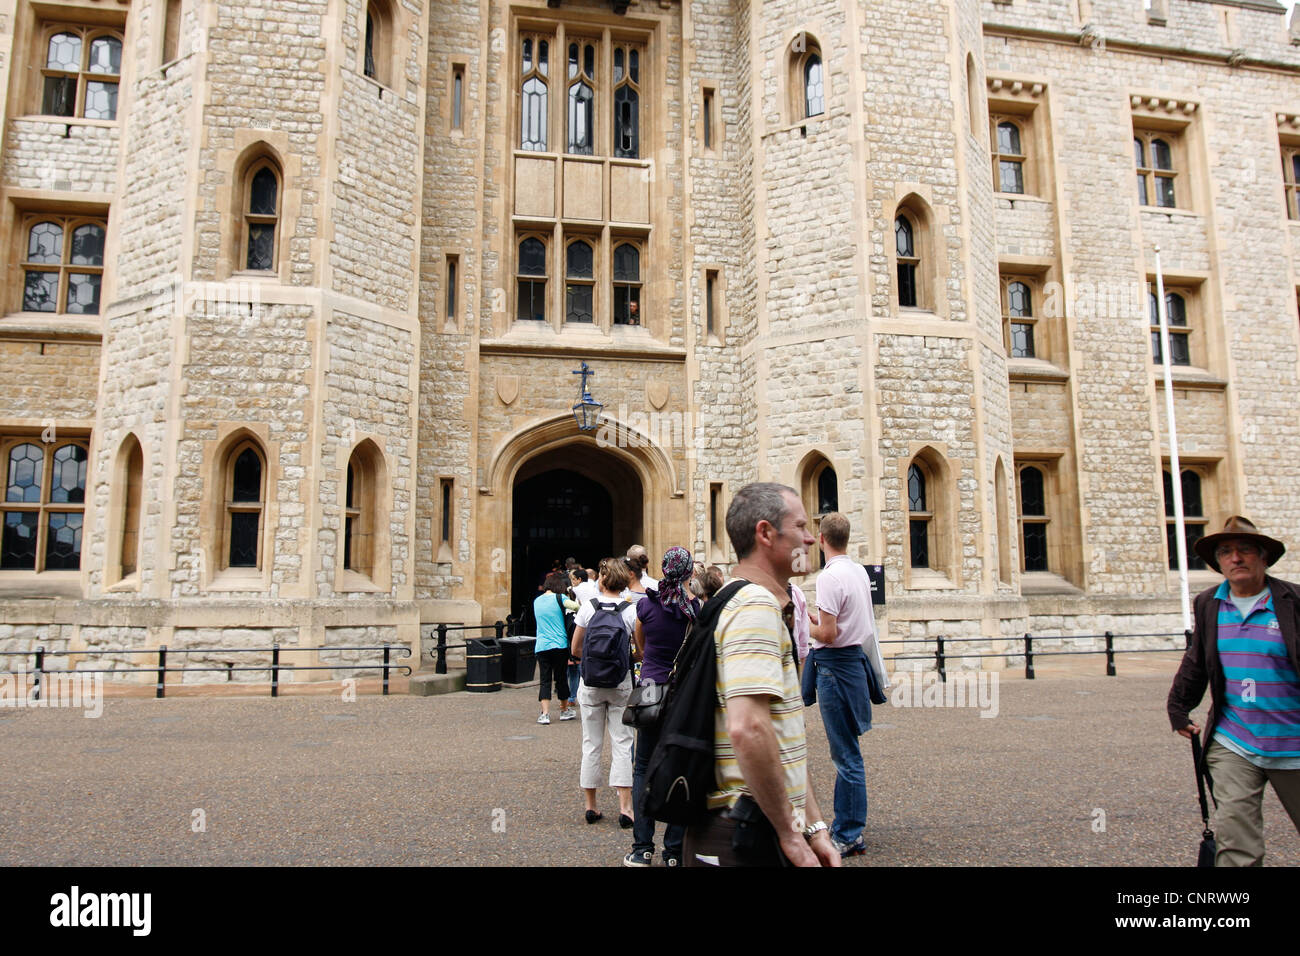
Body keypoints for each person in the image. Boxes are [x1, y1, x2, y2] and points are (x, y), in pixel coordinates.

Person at [683, 482, 839, 867]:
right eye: (800, 526)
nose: (809, 538)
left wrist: (814, 826)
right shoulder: (753, 606)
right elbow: (748, 729)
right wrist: (792, 836)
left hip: (756, 821)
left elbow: (782, 743)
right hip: (745, 829)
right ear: (766, 533)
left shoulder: (739, 598)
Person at [1168, 515, 1300, 866]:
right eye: (1226, 552)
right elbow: (1198, 658)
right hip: (1234, 742)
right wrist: (1179, 707)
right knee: (1237, 848)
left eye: (1244, 550)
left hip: (1293, 741)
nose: (1235, 558)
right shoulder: (1209, 602)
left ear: (1263, 557)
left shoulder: (1293, 601)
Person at [803, 511, 886, 858]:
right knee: (848, 750)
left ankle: (849, 832)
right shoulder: (858, 572)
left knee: (845, 755)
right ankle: (849, 826)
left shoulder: (829, 577)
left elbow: (828, 633)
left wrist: (803, 623)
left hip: (835, 669)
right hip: (851, 663)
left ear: (822, 539)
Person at [624, 545, 700, 867]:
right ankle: (673, 851)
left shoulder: (647, 605)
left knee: (643, 767)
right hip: (681, 696)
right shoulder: (695, 611)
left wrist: (652, 662)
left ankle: (642, 848)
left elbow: (639, 643)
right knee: (680, 770)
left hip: (650, 693)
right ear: (689, 572)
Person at [573, 557, 640, 827]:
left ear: (602, 579)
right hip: (620, 682)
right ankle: (625, 809)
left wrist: (590, 663)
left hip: (590, 683)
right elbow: (639, 648)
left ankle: (591, 806)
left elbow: (575, 648)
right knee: (623, 743)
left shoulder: (588, 608)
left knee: (591, 743)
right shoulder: (629, 611)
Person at [533, 571, 578, 724]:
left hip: (542, 645)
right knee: (561, 678)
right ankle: (564, 710)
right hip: (559, 644)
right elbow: (577, 607)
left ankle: (545, 713)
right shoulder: (561, 598)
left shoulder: (537, 601)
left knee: (545, 679)